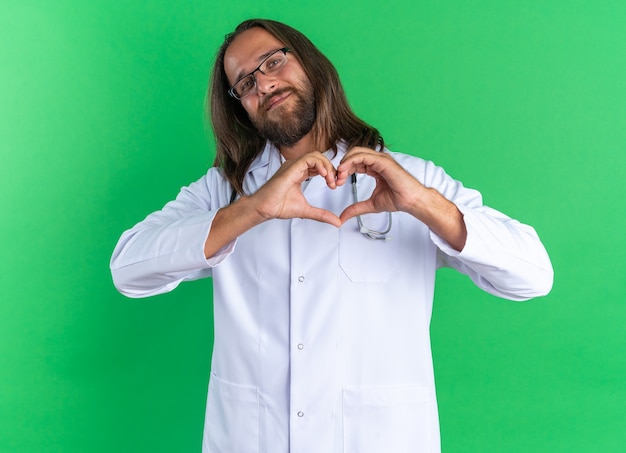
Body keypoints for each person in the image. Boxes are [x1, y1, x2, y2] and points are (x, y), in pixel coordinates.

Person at [110, 18, 553, 453]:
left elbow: (533, 275)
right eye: (244, 83)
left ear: (311, 63)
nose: (262, 84)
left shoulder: (411, 179)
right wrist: (252, 209)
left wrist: (422, 202)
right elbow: (128, 268)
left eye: (272, 62)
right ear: (239, 106)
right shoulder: (226, 190)